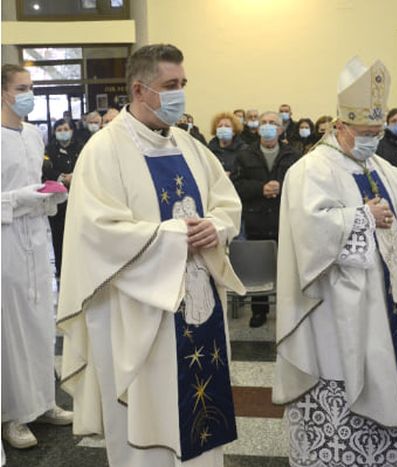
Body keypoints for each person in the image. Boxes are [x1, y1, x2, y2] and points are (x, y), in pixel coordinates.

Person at [57, 44, 245, 467]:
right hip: (139, 315)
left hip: (198, 305)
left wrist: (216, 227)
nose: (180, 94)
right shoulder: (104, 151)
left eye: (183, 84)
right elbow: (99, 233)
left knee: (200, 423)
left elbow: (226, 203)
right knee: (149, 424)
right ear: (140, 90)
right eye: (170, 86)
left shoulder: (190, 146)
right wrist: (178, 233)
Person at [273, 56, 397, 466]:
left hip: (384, 305)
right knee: (344, 379)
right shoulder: (311, 169)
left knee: (386, 370)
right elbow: (308, 231)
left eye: (378, 132)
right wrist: (363, 217)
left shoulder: (376, 163)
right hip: (336, 310)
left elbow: (396, 197)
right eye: (365, 132)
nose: (373, 139)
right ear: (340, 127)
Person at [1, 64, 72, 450]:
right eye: (21, 87)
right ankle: (11, 414)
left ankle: (43, 400)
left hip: (36, 236)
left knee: (42, 320)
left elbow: (36, 183)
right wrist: (19, 199)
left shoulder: (34, 133)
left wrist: (51, 195)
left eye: (31, 87)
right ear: (3, 93)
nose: (28, 93)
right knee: (11, 328)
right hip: (6, 240)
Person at [233, 111, 300, 328]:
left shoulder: (293, 155)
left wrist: (282, 187)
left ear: (281, 129)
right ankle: (259, 311)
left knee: (288, 269)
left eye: (273, 123)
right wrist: (260, 188)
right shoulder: (245, 154)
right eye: (264, 123)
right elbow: (236, 186)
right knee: (258, 267)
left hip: (284, 220)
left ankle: (287, 311)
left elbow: (301, 185)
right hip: (256, 220)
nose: (268, 126)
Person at [43, 118, 83, 276]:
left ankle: (79, 269)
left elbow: (87, 165)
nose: (63, 133)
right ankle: (61, 270)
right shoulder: (49, 150)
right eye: (59, 130)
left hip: (78, 198)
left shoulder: (81, 147)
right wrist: (61, 177)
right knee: (59, 236)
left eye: (65, 129)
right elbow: (45, 170)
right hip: (58, 201)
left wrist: (75, 176)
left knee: (79, 235)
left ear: (72, 130)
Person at [207, 111, 247, 180]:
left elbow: (246, 173)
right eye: (220, 126)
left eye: (227, 126)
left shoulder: (244, 150)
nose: (223, 128)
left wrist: (232, 176)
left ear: (234, 131)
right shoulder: (209, 150)